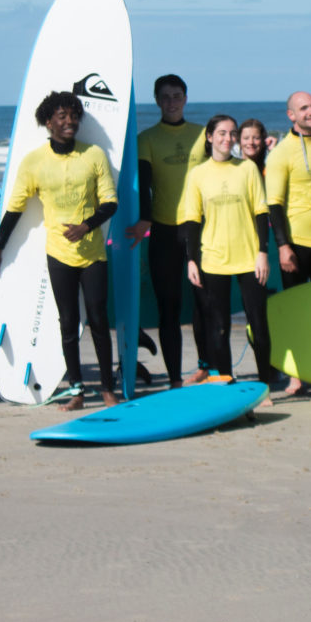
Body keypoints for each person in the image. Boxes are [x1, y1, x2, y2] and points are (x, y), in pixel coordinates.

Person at [0, 91, 121, 411]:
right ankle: (77, 389)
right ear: (48, 122)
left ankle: (106, 387)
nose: (69, 122)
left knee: (99, 318)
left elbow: (110, 202)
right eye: (61, 116)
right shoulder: (34, 161)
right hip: (58, 253)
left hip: (92, 253)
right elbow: (16, 208)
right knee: (67, 321)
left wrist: (86, 226)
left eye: (74, 115)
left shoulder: (94, 155)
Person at [179, 114, 277, 394]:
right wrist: (191, 260)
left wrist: (262, 252)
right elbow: (192, 221)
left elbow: (261, 212)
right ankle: (226, 384)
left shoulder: (247, 169)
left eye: (232, 133)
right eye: (222, 133)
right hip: (213, 259)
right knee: (218, 327)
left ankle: (264, 385)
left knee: (258, 325)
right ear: (210, 137)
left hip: (249, 258)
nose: (228, 138)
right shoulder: (198, 174)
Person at [127, 74, 205, 387]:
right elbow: (143, 182)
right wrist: (145, 218)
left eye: (177, 96)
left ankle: (206, 368)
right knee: (168, 307)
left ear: (185, 98)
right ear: (157, 101)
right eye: (165, 97)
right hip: (163, 233)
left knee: (205, 304)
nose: (171, 102)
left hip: (200, 230)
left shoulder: (204, 135)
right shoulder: (146, 138)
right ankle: (174, 378)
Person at [266, 90, 311, 287]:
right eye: (304, 108)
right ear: (291, 115)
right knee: (298, 309)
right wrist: (283, 247)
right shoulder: (281, 153)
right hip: (298, 243)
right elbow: (274, 204)